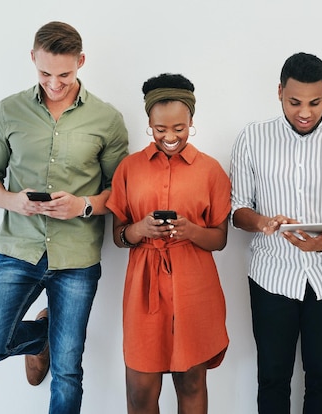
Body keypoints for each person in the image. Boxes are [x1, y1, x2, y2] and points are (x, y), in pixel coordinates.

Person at [0, 21, 129, 414]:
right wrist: (12, 200)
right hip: (18, 250)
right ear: (32, 59)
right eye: (45, 73)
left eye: (65, 74)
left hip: (77, 259)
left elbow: (122, 193)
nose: (54, 83)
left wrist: (83, 206)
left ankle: (53, 344)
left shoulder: (106, 119)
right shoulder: (8, 111)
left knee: (69, 370)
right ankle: (41, 339)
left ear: (81, 62)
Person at [230, 52, 322, 413]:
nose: (305, 112)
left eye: (315, 102)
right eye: (294, 102)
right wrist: (262, 222)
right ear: (279, 92)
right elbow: (238, 210)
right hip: (271, 276)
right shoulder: (252, 137)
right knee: (272, 377)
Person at [106, 73, 230, 414]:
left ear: (191, 120)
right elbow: (118, 236)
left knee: (191, 381)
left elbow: (220, 239)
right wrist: (140, 229)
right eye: (160, 129)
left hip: (194, 284)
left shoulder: (211, 171)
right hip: (144, 286)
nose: (171, 137)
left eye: (179, 127)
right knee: (140, 389)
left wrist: (191, 231)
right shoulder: (129, 168)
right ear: (149, 122)